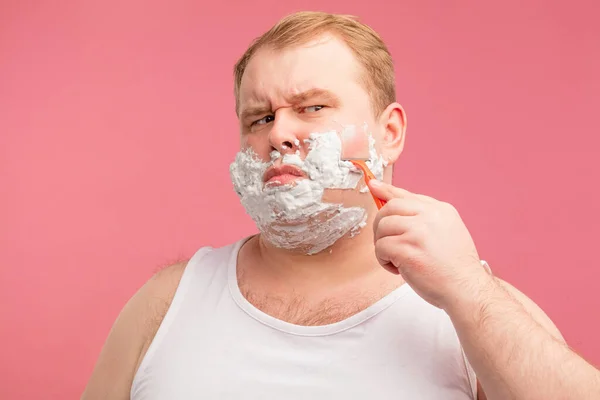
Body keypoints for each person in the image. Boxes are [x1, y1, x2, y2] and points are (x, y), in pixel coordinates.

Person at [82, 11, 600, 400]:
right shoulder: (168, 303)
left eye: (311, 107)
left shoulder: (470, 308)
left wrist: (467, 288)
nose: (280, 133)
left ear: (389, 132)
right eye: (259, 118)